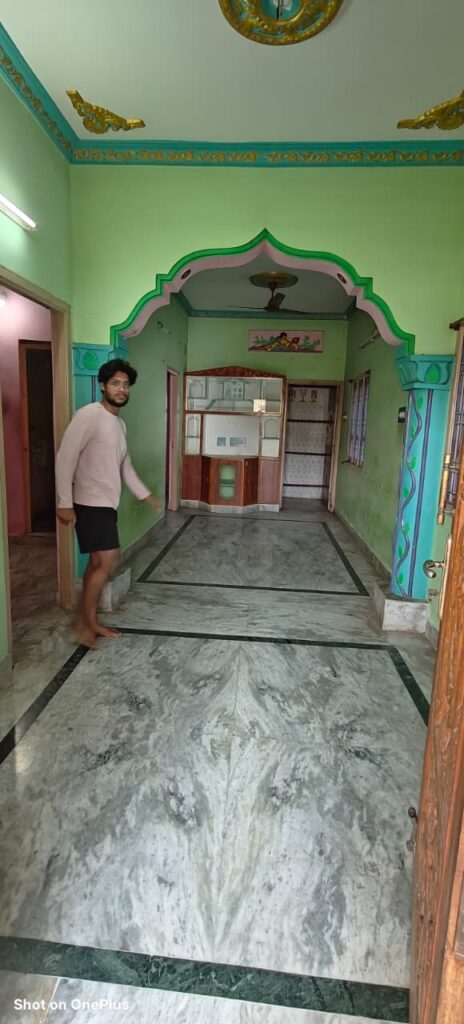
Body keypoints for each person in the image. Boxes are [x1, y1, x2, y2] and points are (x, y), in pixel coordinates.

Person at [55, 358, 160, 648]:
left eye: (126, 385)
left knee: (96, 562)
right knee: (109, 559)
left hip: (106, 503)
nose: (121, 389)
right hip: (89, 502)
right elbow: (65, 457)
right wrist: (64, 502)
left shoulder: (119, 424)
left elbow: (125, 466)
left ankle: (89, 621)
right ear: (103, 385)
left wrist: (146, 495)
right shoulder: (89, 415)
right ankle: (81, 623)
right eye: (115, 383)